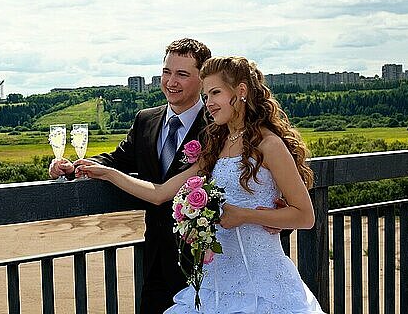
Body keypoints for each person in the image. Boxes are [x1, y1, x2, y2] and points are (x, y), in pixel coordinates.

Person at [75, 56, 325, 313]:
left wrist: (244, 215)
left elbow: (305, 216)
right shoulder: (217, 144)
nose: (210, 103)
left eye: (215, 92)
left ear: (240, 91)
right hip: (214, 284)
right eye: (206, 96)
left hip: (262, 284)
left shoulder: (269, 145)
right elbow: (160, 193)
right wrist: (108, 174)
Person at [49, 38, 212, 313]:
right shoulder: (146, 119)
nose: (171, 81)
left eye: (182, 74)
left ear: (203, 78)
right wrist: (75, 167)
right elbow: (116, 159)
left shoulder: (217, 124)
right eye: (166, 72)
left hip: (204, 260)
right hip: (155, 259)